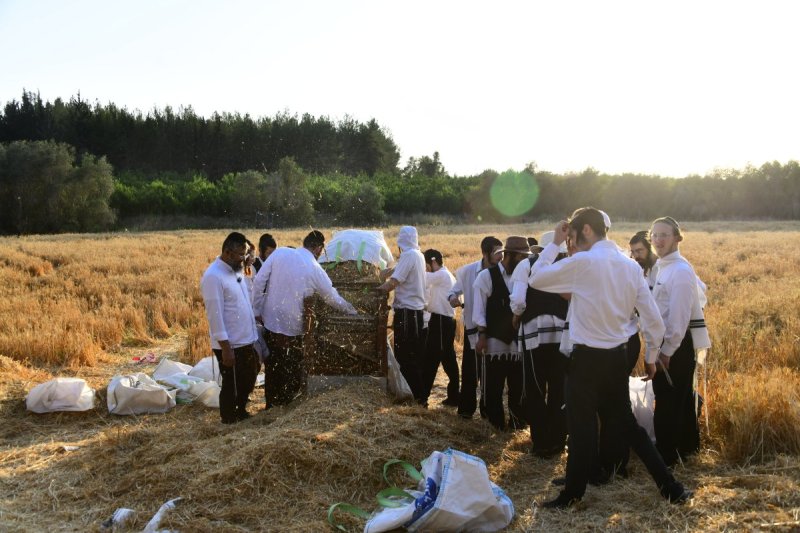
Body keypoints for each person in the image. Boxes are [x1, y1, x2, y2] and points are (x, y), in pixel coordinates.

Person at [530, 207, 692, 508]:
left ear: (587, 231)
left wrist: (554, 243)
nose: (572, 242)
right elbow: (653, 320)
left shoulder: (582, 262)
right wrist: (652, 355)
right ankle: (672, 489)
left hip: (585, 361)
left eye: (575, 236)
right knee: (630, 427)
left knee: (581, 428)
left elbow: (537, 278)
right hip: (617, 359)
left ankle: (572, 495)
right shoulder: (630, 266)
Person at [252, 230, 357, 408]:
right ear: (318, 248)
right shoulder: (315, 268)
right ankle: (286, 406)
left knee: (273, 365)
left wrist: (257, 309)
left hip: (271, 321)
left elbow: (259, 281)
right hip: (293, 327)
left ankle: (271, 405)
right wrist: (353, 311)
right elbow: (331, 297)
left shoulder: (280, 253)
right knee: (291, 367)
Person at [650, 216, 711, 467]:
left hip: (675, 344)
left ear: (677, 238)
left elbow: (679, 318)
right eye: (654, 235)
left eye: (664, 235)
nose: (658, 240)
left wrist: (666, 351)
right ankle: (686, 450)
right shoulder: (663, 266)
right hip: (668, 342)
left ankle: (667, 456)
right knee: (680, 399)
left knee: (668, 402)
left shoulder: (681, 270)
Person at [510, 230, 569, 457]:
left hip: (534, 334)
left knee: (535, 388)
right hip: (564, 335)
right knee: (559, 389)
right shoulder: (568, 264)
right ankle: (557, 440)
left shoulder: (527, 264)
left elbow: (518, 300)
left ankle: (541, 442)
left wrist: (516, 316)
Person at [200, 232, 260, 424]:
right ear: (227, 252)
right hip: (231, 343)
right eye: (241, 254)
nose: (244, 258)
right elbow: (215, 316)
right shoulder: (213, 277)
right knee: (231, 384)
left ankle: (241, 409)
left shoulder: (237, 270)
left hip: (246, 338)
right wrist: (226, 348)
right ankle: (228, 418)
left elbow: (248, 296)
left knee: (248, 377)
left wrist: (247, 265)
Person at [473, 235, 530, 431]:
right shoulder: (485, 277)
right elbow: (479, 310)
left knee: (518, 387)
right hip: (494, 342)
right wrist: (481, 335)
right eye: (522, 257)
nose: (525, 262)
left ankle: (517, 424)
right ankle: (494, 425)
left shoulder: (525, 276)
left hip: (518, 343)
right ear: (511, 255)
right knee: (493, 387)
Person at [449, 236, 502, 419]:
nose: (500, 256)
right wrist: (453, 299)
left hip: (495, 332)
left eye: (501, 251)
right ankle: (465, 410)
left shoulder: (502, 272)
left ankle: (488, 412)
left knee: (491, 377)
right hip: (473, 331)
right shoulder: (468, 272)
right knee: (471, 373)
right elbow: (453, 291)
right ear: (485, 253)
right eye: (496, 252)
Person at [378, 226, 427, 405]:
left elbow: (394, 282)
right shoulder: (417, 255)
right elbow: (396, 271)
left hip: (406, 313)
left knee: (405, 357)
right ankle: (419, 397)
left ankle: (415, 398)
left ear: (401, 243)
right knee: (412, 355)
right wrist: (383, 272)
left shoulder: (409, 255)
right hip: (415, 314)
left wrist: (375, 291)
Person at [420, 249, 459, 407]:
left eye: (426, 265)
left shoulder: (442, 275)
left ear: (433, 262)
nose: (425, 268)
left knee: (431, 359)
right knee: (448, 359)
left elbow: (421, 278)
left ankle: (423, 398)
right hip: (443, 322)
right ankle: (454, 397)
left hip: (441, 322)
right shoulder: (444, 275)